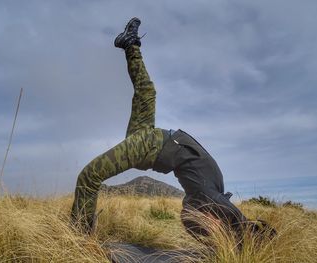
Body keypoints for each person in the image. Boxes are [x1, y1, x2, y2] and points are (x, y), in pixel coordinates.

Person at [71, 17, 275, 241]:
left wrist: (235, 229)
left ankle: (80, 238)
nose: (212, 226)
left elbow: (197, 217)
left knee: (88, 177)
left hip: (148, 146)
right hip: (149, 135)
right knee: (147, 92)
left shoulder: (203, 195)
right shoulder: (212, 196)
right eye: (215, 225)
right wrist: (244, 226)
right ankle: (130, 44)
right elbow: (227, 213)